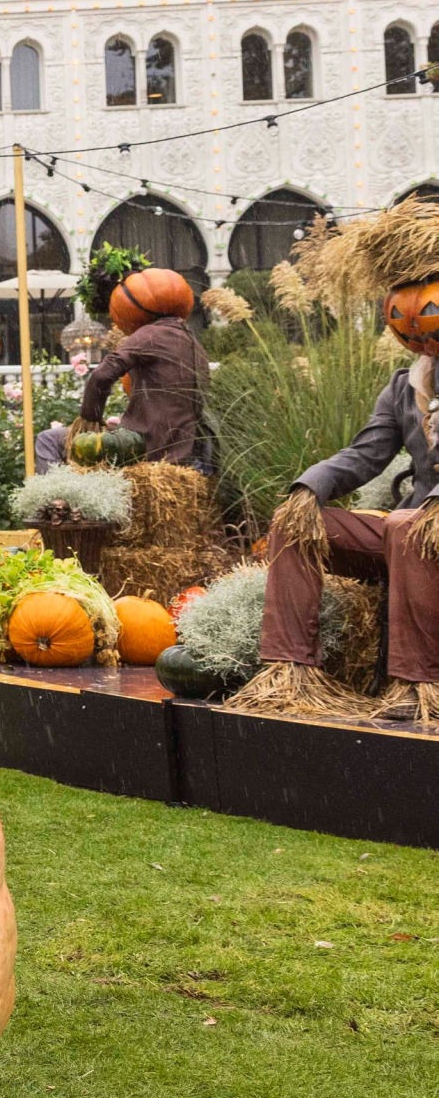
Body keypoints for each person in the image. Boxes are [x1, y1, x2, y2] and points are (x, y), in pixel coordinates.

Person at [240, 201, 439, 721]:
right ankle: (290, 672)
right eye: (402, 317)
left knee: (407, 527)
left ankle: (419, 686)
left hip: (421, 529)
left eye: (429, 313)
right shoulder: (405, 386)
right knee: (295, 524)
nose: (417, 329)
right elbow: (365, 453)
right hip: (412, 530)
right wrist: (310, 487)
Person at [75, 268, 209, 468]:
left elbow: (102, 375)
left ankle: (52, 490)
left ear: (133, 305)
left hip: (147, 447)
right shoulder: (191, 341)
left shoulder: (149, 334)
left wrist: (90, 417)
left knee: (49, 439)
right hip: (184, 449)